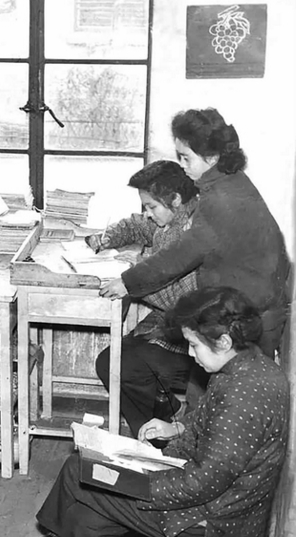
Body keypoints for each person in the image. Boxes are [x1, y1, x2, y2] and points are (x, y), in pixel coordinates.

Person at [18, 286, 289, 537]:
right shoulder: (251, 366)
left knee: (80, 471)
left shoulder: (243, 394)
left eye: (194, 345)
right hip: (213, 498)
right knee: (86, 517)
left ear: (223, 341)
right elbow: (214, 425)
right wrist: (176, 427)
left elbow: (203, 482)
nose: (189, 354)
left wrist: (138, 481)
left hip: (212, 520)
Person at [100, 108, 290, 362]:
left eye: (186, 158)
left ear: (211, 157)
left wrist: (127, 282)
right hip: (253, 304)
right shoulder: (231, 181)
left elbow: (182, 253)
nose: (182, 165)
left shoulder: (221, 199)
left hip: (249, 317)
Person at [85, 160, 200, 437]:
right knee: (112, 361)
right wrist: (108, 238)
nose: (148, 214)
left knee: (118, 365)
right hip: (168, 326)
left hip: (192, 338)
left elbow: (181, 302)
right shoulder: (170, 220)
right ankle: (163, 420)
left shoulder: (191, 233)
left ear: (176, 199)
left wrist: (136, 274)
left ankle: (158, 433)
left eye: (152, 207)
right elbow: (138, 226)